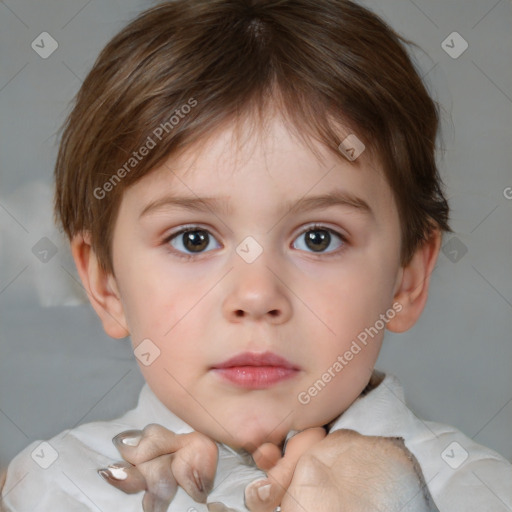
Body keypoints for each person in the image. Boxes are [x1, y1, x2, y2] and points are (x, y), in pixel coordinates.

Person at [1, 0, 511, 511]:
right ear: (105, 281)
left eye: (318, 238)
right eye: (193, 239)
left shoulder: (479, 495)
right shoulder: (54, 490)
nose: (256, 296)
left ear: (408, 278)